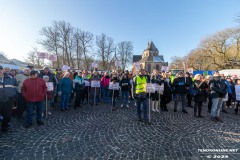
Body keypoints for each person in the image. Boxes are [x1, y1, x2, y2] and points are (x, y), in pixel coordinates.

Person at [0, 65, 17, 132]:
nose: (0, 71)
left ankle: (5, 126)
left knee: (7, 115)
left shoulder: (11, 78)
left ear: (2, 70)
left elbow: (15, 87)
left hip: (8, 100)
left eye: (0, 70)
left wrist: (12, 96)